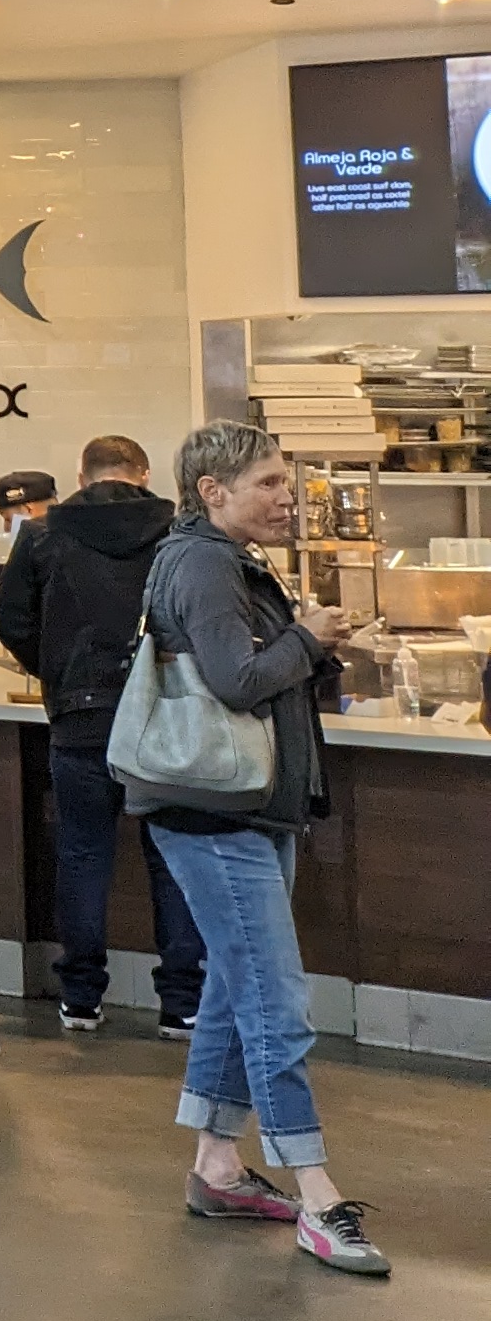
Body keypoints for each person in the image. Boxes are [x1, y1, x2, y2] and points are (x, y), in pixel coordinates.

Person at [141, 423, 383, 1277]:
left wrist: (308, 645)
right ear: (213, 490)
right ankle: (316, 1192)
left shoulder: (221, 559)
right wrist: (308, 639)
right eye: (271, 482)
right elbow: (234, 681)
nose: (288, 497)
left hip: (246, 807)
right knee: (276, 1004)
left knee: (234, 989)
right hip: (220, 813)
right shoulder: (206, 564)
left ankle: (217, 1164)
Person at [0, 436, 202, 1036]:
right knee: (171, 856)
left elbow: (13, 620)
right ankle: (182, 1002)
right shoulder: (181, 533)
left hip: (80, 718)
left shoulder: (41, 535)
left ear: (81, 477)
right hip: (164, 715)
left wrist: (57, 674)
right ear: (144, 473)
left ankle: (80, 997)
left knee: (83, 855)